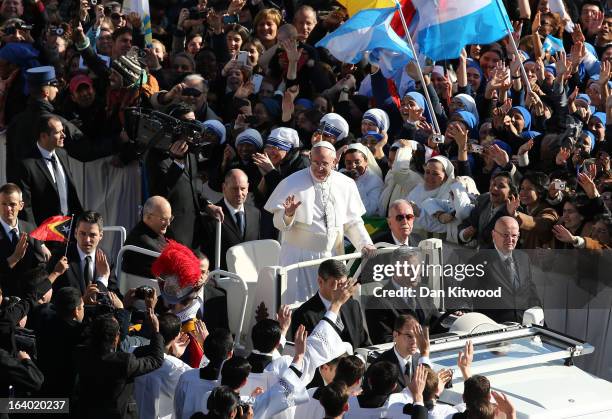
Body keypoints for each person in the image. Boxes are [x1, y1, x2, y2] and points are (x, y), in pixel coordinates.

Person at [264, 141, 375, 304]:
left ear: (335, 162)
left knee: (333, 305)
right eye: (315, 162)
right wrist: (288, 214)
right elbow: (277, 222)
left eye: (325, 163)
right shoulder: (292, 182)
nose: (319, 168)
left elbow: (352, 221)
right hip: (300, 258)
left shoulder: (346, 184)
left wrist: (365, 244)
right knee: (299, 307)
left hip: (333, 256)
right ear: (310, 158)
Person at [145, 103, 223, 248]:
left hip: (194, 234)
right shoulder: (156, 156)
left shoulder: (190, 152)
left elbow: (193, 189)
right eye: (189, 123)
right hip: (171, 235)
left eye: (195, 122)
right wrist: (177, 163)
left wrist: (206, 205)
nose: (194, 128)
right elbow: (159, 194)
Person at [74, 309, 164, 419]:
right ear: (116, 338)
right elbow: (156, 360)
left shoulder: (81, 353)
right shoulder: (124, 362)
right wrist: (156, 331)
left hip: (86, 412)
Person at [466, 216, 542, 323]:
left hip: (524, 325)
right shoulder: (479, 260)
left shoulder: (523, 258)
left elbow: (531, 291)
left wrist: (539, 316)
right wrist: (461, 309)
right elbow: (464, 292)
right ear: (494, 234)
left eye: (514, 236)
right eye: (505, 235)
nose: (510, 240)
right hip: (495, 327)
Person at [16, 115, 83, 226]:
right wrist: (35, 238)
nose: (64, 135)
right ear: (43, 136)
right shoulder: (27, 164)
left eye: (63, 131)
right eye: (58, 132)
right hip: (45, 232)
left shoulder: (62, 154)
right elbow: (26, 207)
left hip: (69, 227)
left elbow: (70, 192)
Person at [291, 259, 370, 350]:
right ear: (320, 282)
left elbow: (363, 343)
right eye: (336, 284)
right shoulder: (304, 315)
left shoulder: (353, 306)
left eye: (344, 284)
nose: (342, 289)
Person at [365, 249, 440, 344]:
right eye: (409, 269)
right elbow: (384, 341)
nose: (415, 273)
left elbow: (437, 322)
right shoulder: (377, 302)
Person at [134, 313, 192, 419]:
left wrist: (173, 356)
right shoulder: (176, 367)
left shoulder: (133, 352)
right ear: (176, 336)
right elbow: (197, 383)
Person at [201, 169, 260, 270]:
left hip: (250, 278)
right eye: (234, 189)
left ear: (248, 188)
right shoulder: (210, 216)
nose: (239, 193)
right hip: (221, 279)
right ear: (224, 188)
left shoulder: (255, 213)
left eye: (243, 188)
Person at [33, 286, 84, 398]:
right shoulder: (78, 334)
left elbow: (47, 308)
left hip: (43, 389)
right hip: (65, 394)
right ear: (76, 311)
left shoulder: (44, 319)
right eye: (83, 307)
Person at [0, 183, 49, 298]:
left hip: (29, 298)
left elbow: (39, 264)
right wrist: (13, 259)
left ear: (21, 205)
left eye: (12, 204)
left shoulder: (30, 228)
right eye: (3, 204)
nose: (8, 209)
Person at [51, 210, 117, 296]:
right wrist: (102, 279)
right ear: (75, 233)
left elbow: (113, 292)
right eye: (82, 233)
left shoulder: (106, 257)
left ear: (101, 236)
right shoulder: (60, 257)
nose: (87, 240)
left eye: (92, 235)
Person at [174, 328, 234, 419]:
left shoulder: (187, 377)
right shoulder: (231, 386)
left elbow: (178, 410)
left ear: (205, 349)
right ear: (230, 354)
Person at [370, 314, 431, 390]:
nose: (414, 341)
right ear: (395, 335)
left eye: (417, 336)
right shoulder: (380, 366)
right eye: (409, 336)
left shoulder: (421, 359)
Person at [458, 172, 518, 249]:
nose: (494, 188)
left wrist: (511, 215)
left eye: (501, 186)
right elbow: (469, 222)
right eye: (493, 184)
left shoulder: (514, 211)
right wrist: (464, 234)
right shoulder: (483, 200)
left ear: (511, 193)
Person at [122, 196, 170, 278]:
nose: (168, 223)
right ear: (148, 217)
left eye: (170, 219)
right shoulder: (143, 241)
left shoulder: (153, 232)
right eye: (163, 219)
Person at [342, 143, 383, 216]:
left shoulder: (376, 182)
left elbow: (368, 211)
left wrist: (356, 182)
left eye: (357, 162)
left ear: (366, 161)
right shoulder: (341, 174)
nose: (353, 166)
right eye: (349, 163)